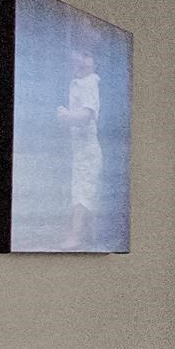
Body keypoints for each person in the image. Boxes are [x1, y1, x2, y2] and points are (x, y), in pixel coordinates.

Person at [56, 46, 101, 251]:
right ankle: (85, 234)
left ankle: (76, 235)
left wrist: (67, 117)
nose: (82, 61)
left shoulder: (89, 83)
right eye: (79, 56)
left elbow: (86, 116)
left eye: (86, 55)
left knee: (82, 192)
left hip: (87, 151)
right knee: (82, 190)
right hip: (80, 150)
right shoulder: (76, 83)